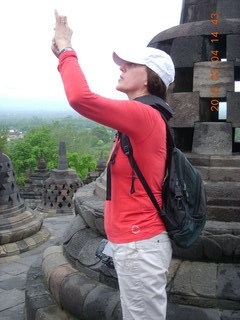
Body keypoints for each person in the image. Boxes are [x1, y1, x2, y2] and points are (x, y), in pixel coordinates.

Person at [52, 10, 175, 320]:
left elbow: (81, 98)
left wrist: (67, 49)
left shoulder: (144, 115)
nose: (122, 67)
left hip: (139, 242)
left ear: (150, 77)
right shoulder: (143, 117)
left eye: (130, 64)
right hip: (133, 242)